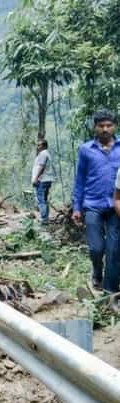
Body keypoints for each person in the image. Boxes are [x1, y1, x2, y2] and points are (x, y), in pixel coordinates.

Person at [73, 109, 120, 293]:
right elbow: (80, 180)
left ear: (115, 126)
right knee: (96, 248)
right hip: (93, 204)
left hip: (116, 206)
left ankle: (110, 290)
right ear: (95, 127)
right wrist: (77, 207)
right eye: (101, 126)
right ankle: (97, 272)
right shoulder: (86, 150)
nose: (105, 129)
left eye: (109, 125)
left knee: (114, 249)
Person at [32, 139, 54, 225]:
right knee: (44, 199)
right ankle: (45, 218)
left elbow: (42, 167)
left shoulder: (43, 154)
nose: (37, 147)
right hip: (46, 179)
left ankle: (44, 219)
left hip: (42, 180)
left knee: (41, 199)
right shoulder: (46, 154)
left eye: (39, 145)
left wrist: (36, 178)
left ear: (44, 146)